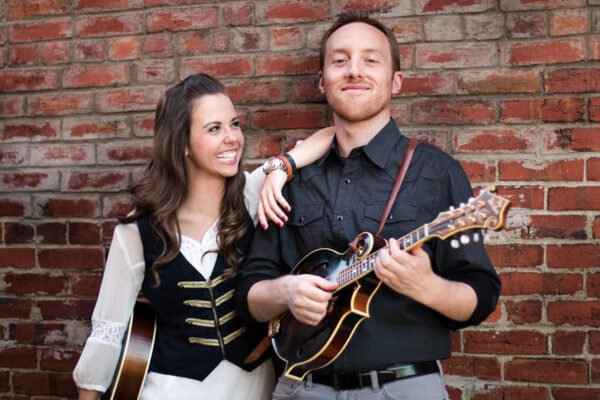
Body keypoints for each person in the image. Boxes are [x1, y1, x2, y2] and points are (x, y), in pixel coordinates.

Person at [236, 11, 501, 400]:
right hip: (300, 388)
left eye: (371, 59)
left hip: (404, 388)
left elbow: (481, 297)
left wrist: (427, 286)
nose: (354, 71)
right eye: (340, 60)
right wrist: (287, 292)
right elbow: (248, 295)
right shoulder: (290, 182)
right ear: (322, 81)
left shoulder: (437, 172)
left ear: (395, 81)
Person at [72, 73, 334, 400]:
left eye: (234, 124)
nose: (232, 138)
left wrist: (282, 167)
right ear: (182, 144)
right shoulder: (136, 231)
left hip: (252, 387)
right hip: (168, 389)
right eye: (214, 128)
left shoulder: (253, 196)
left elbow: (330, 136)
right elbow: (107, 333)